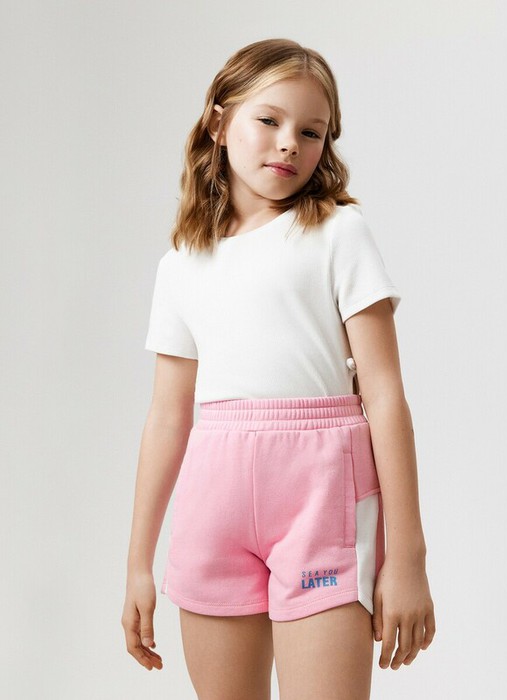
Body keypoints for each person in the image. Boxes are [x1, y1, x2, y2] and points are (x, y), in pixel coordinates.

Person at [121, 38, 435, 699]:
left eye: (311, 132)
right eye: (269, 120)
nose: (289, 142)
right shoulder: (180, 266)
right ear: (218, 122)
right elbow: (168, 416)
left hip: (322, 495)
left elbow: (384, 396)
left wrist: (406, 557)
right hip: (213, 501)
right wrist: (138, 565)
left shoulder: (338, 233)